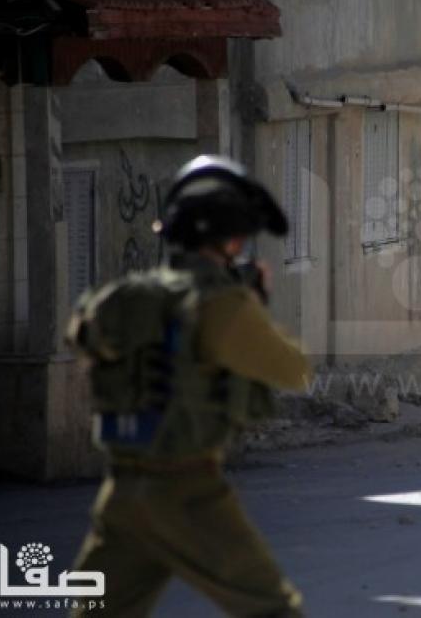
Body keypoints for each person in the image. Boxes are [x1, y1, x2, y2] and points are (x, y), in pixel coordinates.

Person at [65, 155, 308, 617]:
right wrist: (252, 303)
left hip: (122, 492)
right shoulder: (222, 305)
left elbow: (80, 335)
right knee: (272, 610)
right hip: (186, 492)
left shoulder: (126, 295)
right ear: (227, 239)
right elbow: (292, 369)